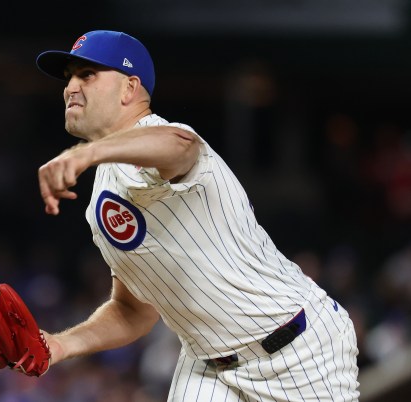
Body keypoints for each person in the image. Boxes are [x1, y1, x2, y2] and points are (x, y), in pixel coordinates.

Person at [35, 30, 360, 401]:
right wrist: (59, 346)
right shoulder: (102, 194)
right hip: (208, 364)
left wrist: (84, 154)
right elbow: (133, 310)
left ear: (129, 89)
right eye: (69, 78)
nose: (71, 88)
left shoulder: (163, 137)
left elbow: (180, 147)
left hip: (297, 349)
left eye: (87, 75)